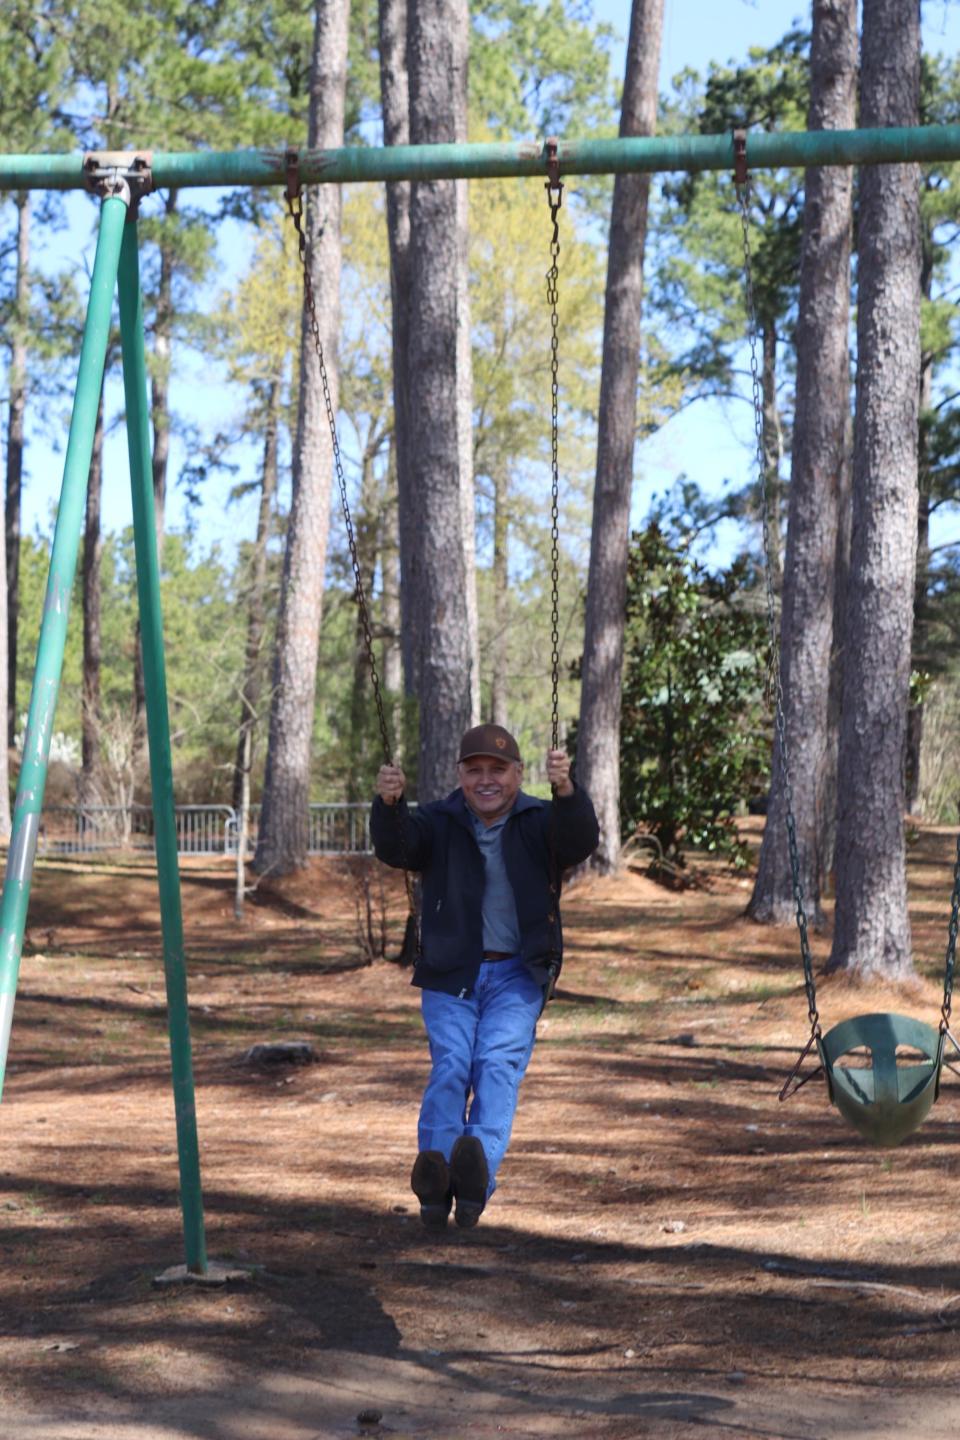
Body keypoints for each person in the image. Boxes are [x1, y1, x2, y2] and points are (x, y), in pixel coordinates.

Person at [371, 723, 599, 1230]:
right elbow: (399, 849)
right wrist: (389, 806)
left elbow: (579, 841)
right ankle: (435, 1177)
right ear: (460, 775)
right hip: (452, 971)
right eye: (474, 771)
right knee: (452, 1065)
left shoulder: (542, 819)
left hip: (520, 972)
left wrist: (566, 790)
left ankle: (474, 1180)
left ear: (518, 774)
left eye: (498, 770)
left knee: (496, 1066)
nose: (486, 780)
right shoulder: (439, 821)